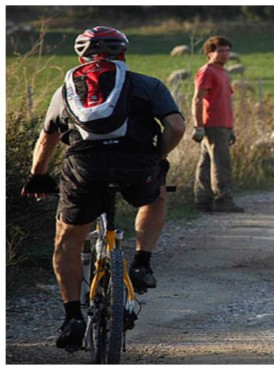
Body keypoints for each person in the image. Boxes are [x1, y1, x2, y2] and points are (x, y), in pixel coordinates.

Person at [21, 26, 185, 349]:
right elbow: (177, 125)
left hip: (84, 168)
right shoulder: (147, 85)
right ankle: (141, 262)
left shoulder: (65, 90)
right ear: (122, 54)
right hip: (136, 164)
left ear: (80, 56)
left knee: (67, 241)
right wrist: (157, 157)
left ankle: (72, 317)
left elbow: (46, 140)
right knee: (156, 196)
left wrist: (38, 176)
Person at [192, 35, 243, 213]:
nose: (225, 54)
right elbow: (198, 99)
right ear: (209, 53)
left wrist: (231, 128)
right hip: (213, 124)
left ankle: (203, 201)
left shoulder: (222, 72)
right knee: (222, 164)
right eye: (220, 51)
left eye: (227, 50)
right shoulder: (207, 71)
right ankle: (223, 200)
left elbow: (225, 101)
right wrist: (198, 125)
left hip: (223, 125)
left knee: (206, 163)